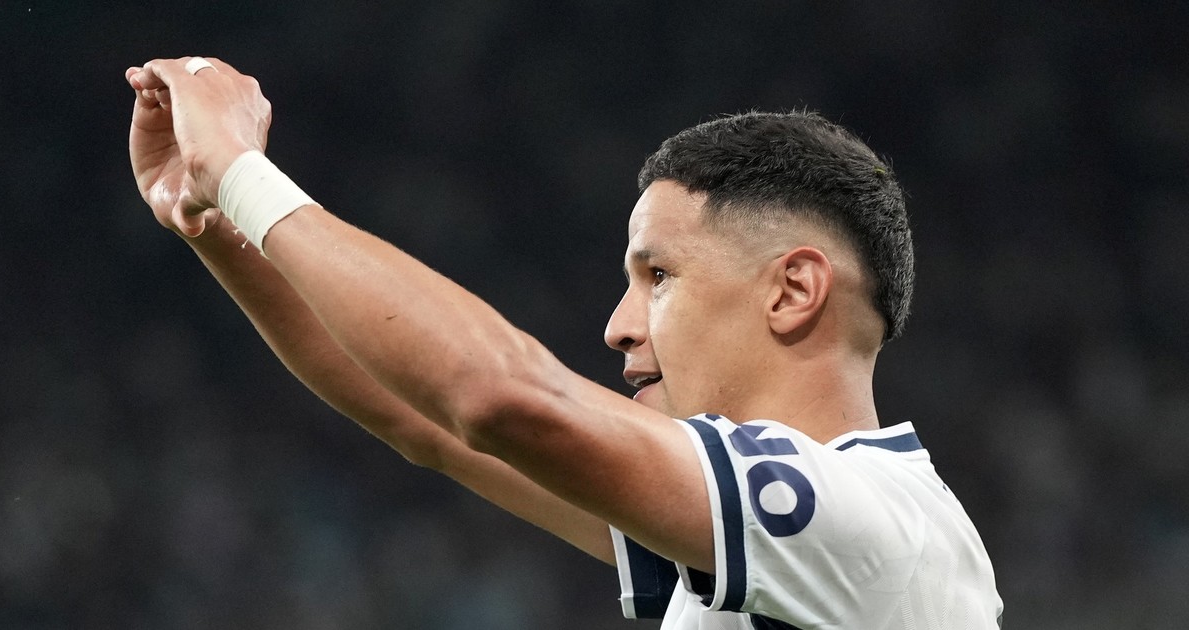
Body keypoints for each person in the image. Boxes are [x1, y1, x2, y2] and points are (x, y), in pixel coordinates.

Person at [125, 56, 1003, 629]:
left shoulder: (876, 525)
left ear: (793, 290)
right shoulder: (773, 535)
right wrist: (212, 219)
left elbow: (499, 398)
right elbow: (424, 419)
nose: (619, 324)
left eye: (659, 275)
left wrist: (239, 170)